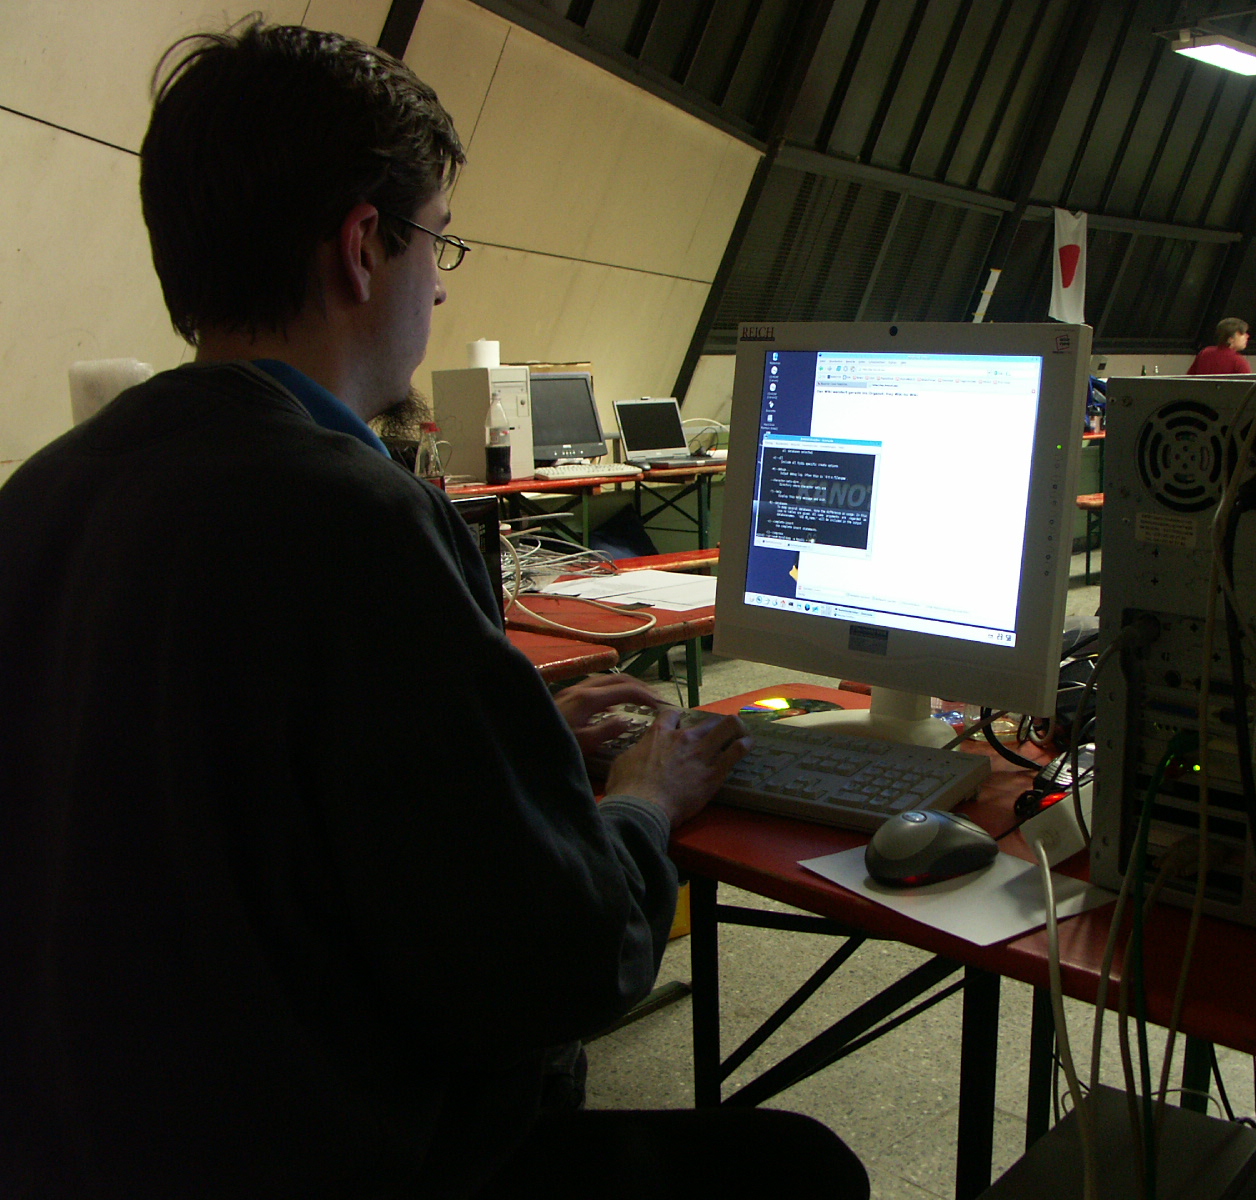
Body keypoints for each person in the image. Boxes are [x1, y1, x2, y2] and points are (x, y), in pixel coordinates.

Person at [0, 23, 868, 1199]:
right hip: (329, 1160)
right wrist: (641, 802)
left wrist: (511, 750)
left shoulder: (44, 493)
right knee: (799, 1170)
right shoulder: (353, 516)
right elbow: (557, 964)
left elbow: (239, 796)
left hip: (89, 1152)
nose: (445, 282)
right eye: (440, 241)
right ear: (364, 246)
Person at [1186, 317, 1252, 374]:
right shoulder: (1238, 361)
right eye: (1242, 334)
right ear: (1230, 339)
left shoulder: (1204, 353)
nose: (1247, 336)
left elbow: (1189, 379)